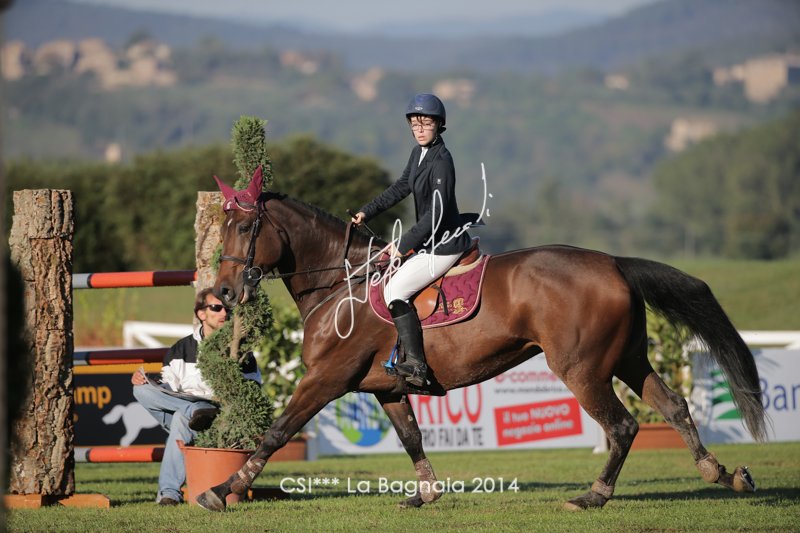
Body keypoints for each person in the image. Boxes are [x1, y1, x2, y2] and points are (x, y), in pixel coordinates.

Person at [352, 93, 472, 386]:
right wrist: (368, 211)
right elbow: (401, 187)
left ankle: (417, 366)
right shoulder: (419, 153)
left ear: (439, 125)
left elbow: (436, 215)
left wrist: (403, 245)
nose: (419, 129)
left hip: (444, 245)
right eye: (415, 124)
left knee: (395, 290)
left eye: (426, 124)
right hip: (429, 242)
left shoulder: (442, 161)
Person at [131, 288, 261, 505]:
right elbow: (168, 385)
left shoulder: (240, 349)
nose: (224, 313)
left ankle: (169, 494)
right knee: (140, 390)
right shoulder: (180, 348)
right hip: (187, 406)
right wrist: (145, 380)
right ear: (201, 314)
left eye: (227, 308)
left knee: (181, 418)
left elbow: (252, 389)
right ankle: (194, 410)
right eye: (216, 308)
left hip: (220, 415)